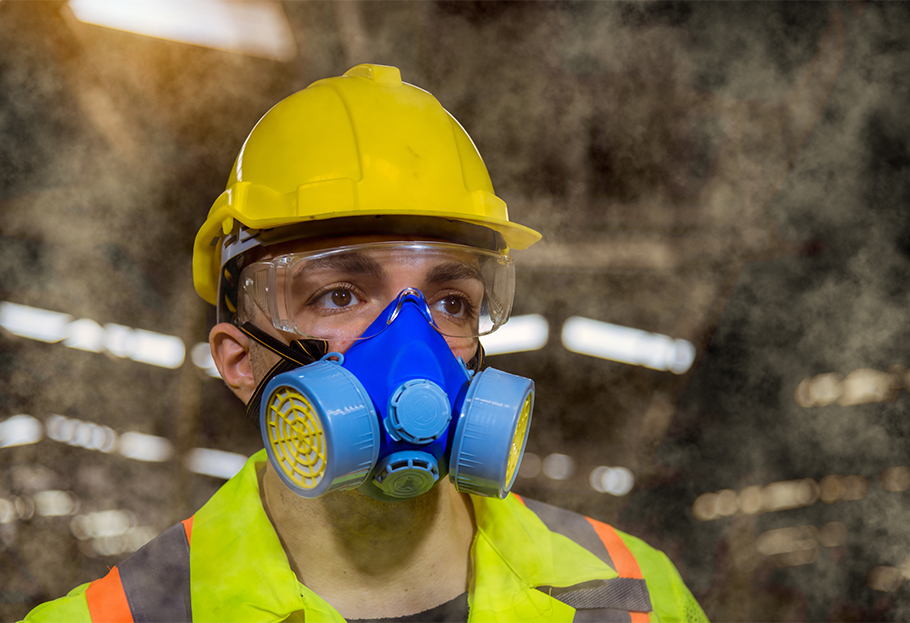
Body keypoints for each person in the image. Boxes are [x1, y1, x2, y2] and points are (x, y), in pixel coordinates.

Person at [23, 64, 707, 623]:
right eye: (340, 294)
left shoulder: (633, 594)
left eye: (451, 301)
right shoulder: (124, 615)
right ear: (238, 357)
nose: (415, 345)